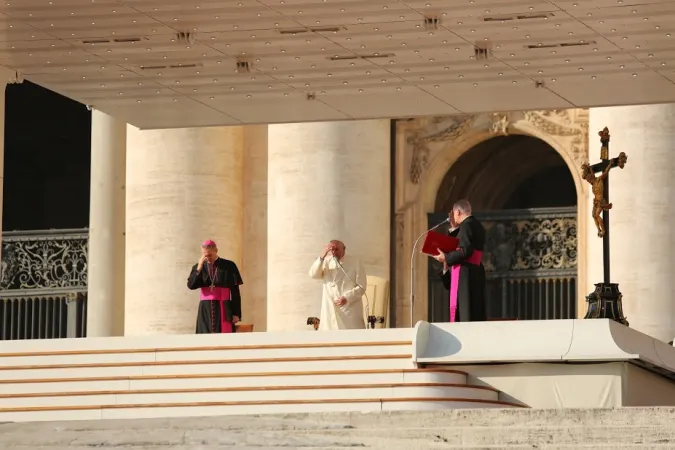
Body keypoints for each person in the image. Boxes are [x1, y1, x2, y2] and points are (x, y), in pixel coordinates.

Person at [431, 200, 487, 322]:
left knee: (465, 313)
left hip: (466, 274)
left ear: (457, 211)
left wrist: (446, 258)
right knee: (474, 311)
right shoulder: (476, 225)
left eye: (454, 213)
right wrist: (454, 228)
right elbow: (459, 243)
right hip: (474, 272)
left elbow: (465, 250)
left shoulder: (467, 225)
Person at [187, 239, 243, 334]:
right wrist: (199, 268)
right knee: (204, 337)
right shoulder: (198, 267)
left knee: (224, 338)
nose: (207, 257)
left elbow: (235, 292)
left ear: (216, 251)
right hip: (205, 309)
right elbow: (191, 285)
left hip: (224, 308)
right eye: (205, 255)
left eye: (210, 255)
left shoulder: (229, 265)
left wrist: (236, 313)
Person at [309, 240, 367, 330]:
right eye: (332, 250)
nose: (334, 252)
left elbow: (361, 287)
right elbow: (313, 274)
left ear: (344, 249)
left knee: (351, 340)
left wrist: (347, 297)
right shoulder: (326, 261)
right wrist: (322, 257)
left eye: (336, 249)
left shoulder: (355, 262)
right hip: (330, 310)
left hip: (348, 311)